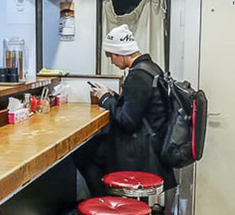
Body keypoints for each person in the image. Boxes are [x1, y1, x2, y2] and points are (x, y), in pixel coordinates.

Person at [74, 24, 176, 199]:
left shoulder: (138, 76)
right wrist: (114, 96)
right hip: (151, 141)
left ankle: (108, 203)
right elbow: (139, 105)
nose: (112, 61)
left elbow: (127, 121)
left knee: (84, 153)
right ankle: (113, 200)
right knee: (93, 147)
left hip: (140, 150)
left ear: (120, 53)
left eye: (111, 56)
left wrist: (106, 99)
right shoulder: (151, 68)